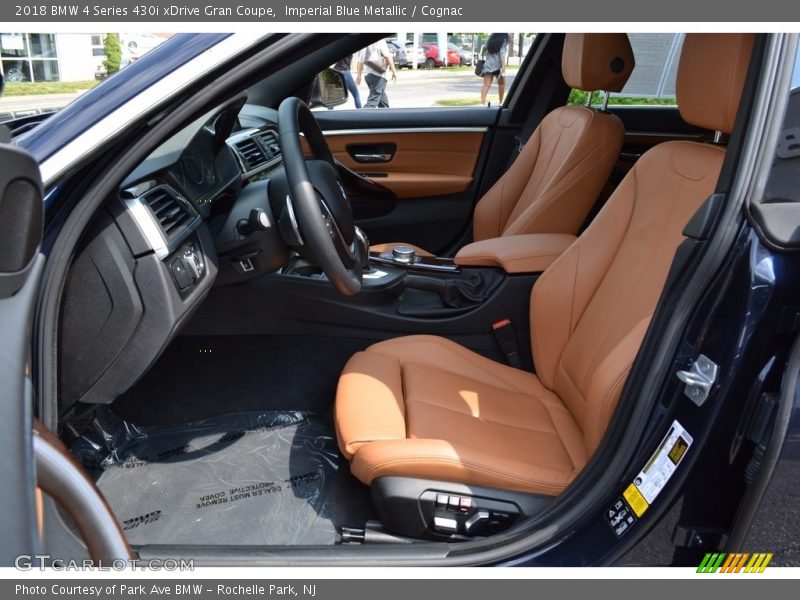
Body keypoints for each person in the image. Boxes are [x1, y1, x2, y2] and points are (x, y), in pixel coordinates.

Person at [355, 40, 398, 108]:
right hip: (378, 75)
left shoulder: (364, 41)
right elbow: (387, 55)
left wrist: (359, 75)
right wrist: (394, 71)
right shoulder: (380, 41)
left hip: (368, 75)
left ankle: (385, 113)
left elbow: (360, 60)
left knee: (382, 100)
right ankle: (363, 114)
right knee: (373, 101)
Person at [480, 33, 510, 105]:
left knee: (486, 85)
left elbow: (485, 50)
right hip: (497, 66)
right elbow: (502, 54)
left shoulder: (491, 39)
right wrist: (503, 67)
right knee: (501, 84)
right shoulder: (503, 40)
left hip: (488, 65)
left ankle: (482, 103)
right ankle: (501, 102)